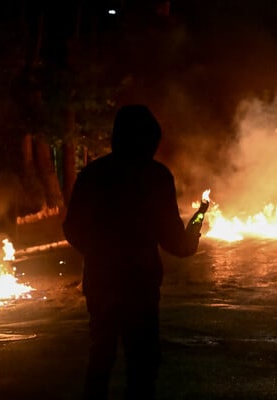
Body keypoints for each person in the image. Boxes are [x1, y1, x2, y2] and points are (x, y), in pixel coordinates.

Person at [62, 104, 206, 400]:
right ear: (150, 140)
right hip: (140, 283)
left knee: (100, 358)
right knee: (142, 363)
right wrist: (197, 223)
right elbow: (176, 243)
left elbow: (72, 228)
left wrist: (97, 253)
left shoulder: (93, 174)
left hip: (100, 281)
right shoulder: (155, 177)